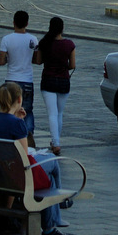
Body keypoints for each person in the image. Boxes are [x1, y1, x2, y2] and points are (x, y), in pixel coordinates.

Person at [0, 82, 72, 235]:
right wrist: (19, 122)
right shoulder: (16, 123)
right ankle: (56, 214)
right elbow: (24, 157)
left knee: (48, 172)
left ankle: (53, 222)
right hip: (15, 174)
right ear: (20, 99)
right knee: (53, 164)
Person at [0, 10, 39, 146]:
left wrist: (9, 58)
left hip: (11, 79)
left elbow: (1, 61)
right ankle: (28, 139)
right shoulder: (33, 39)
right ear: (27, 23)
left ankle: (9, 136)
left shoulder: (7, 39)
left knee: (8, 109)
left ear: (13, 23)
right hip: (27, 80)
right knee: (27, 110)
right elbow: (37, 60)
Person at [35, 17, 75, 155]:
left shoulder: (44, 43)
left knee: (52, 113)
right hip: (64, 81)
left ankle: (56, 143)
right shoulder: (69, 44)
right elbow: (72, 65)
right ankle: (56, 141)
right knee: (59, 113)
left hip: (48, 80)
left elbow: (39, 61)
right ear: (62, 28)